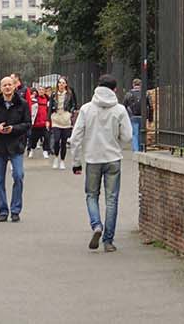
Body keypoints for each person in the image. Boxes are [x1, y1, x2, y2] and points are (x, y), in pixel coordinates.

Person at [70, 75, 133, 253]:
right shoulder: (119, 110)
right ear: (114, 90)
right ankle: (109, 241)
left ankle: (97, 224)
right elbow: (128, 136)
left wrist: (76, 162)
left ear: (97, 87)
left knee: (91, 195)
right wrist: (117, 144)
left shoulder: (86, 109)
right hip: (113, 158)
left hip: (92, 159)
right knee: (112, 199)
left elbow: (75, 138)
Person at [0, 74, 30, 222]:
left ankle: (15, 209)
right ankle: (3, 210)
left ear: (15, 86)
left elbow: (27, 124)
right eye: (5, 85)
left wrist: (13, 129)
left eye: (10, 84)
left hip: (16, 145)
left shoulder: (22, 104)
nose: (8, 87)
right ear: (0, 88)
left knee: (18, 176)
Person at [48, 78, 77, 168]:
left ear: (66, 84)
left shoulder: (70, 94)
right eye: (59, 83)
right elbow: (49, 108)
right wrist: (48, 120)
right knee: (56, 139)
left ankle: (62, 161)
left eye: (63, 83)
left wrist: (70, 113)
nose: (61, 85)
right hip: (56, 118)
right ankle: (56, 157)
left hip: (65, 118)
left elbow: (74, 104)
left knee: (64, 141)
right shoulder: (53, 94)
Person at [121, 79, 150, 152]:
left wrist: (127, 115)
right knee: (141, 132)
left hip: (133, 116)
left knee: (134, 133)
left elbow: (124, 105)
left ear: (133, 85)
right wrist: (150, 117)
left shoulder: (129, 94)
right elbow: (150, 105)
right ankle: (141, 148)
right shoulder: (145, 94)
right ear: (140, 85)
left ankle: (135, 150)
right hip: (143, 116)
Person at [30, 87, 50, 159]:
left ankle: (45, 151)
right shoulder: (34, 100)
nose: (41, 91)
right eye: (39, 90)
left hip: (44, 123)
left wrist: (49, 120)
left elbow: (49, 111)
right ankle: (32, 149)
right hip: (36, 123)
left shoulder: (48, 100)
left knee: (46, 138)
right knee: (34, 139)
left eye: (42, 90)